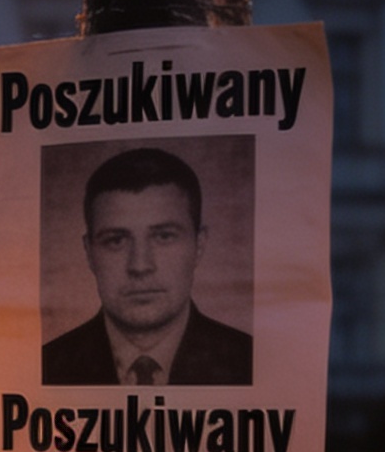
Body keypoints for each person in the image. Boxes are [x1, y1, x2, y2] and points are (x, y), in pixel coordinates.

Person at [41, 145, 252, 386]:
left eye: (163, 236)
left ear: (199, 245)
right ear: (89, 253)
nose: (140, 266)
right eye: (116, 240)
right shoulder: (46, 366)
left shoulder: (249, 362)